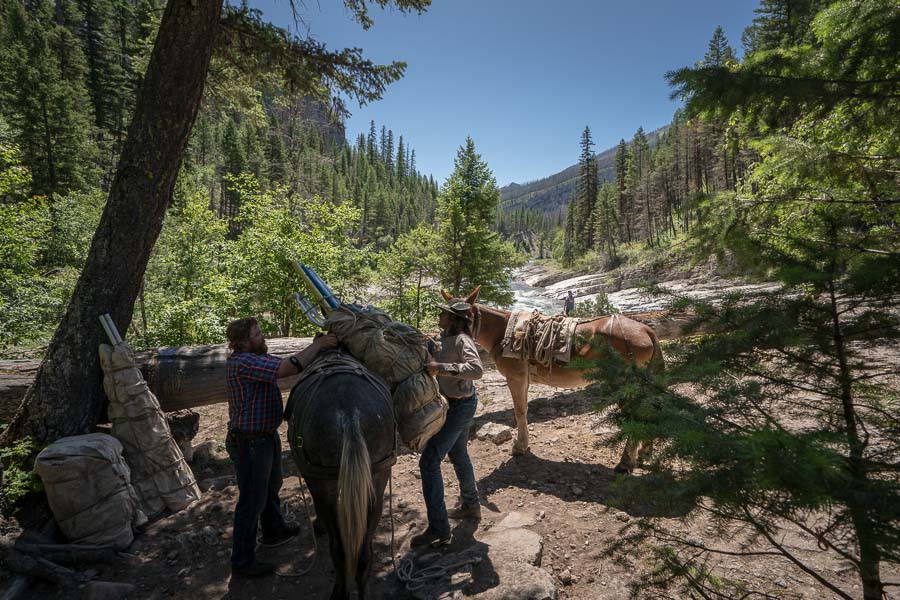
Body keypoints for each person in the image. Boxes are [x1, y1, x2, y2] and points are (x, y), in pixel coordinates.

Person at [225, 317, 338, 578]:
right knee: (251, 501)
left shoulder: (253, 358)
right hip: (251, 441)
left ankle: (274, 529)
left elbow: (284, 363)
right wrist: (320, 345)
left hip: (264, 436)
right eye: (257, 334)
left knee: (270, 486)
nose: (262, 337)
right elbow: (290, 367)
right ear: (242, 343)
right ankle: (242, 561)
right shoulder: (244, 362)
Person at [411, 300, 484, 548]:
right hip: (454, 405)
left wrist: (440, 367)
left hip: (461, 406)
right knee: (459, 452)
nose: (439, 315)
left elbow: (476, 370)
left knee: (430, 459)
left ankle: (439, 527)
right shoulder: (444, 337)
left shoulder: (463, 339)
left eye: (443, 313)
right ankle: (471, 505)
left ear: (453, 319)